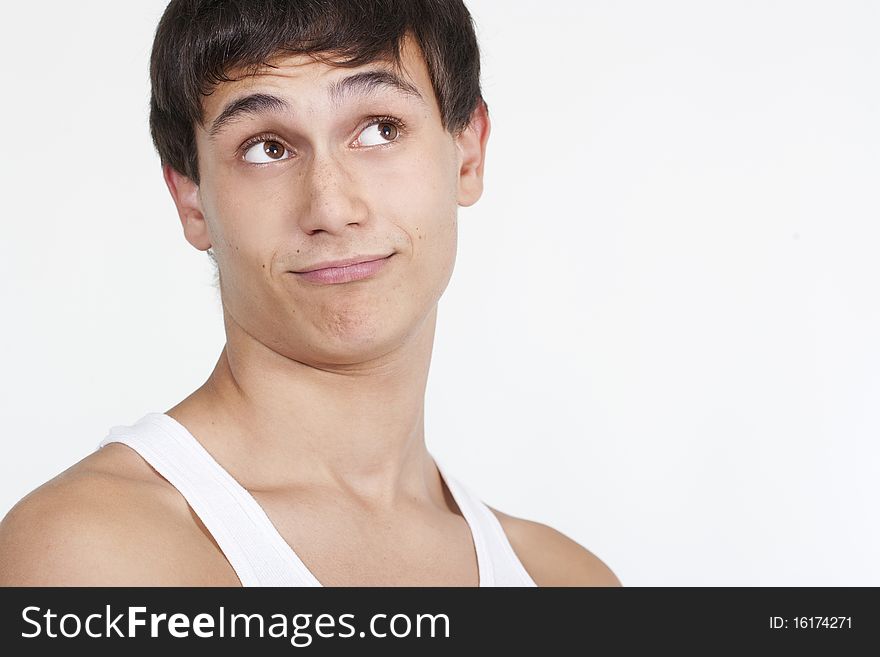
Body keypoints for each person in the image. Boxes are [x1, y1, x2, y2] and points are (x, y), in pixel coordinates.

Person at [0, 0, 620, 587]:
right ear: (191, 197)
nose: (330, 206)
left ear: (468, 153)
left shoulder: (566, 581)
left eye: (379, 129)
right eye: (266, 147)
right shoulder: (92, 555)